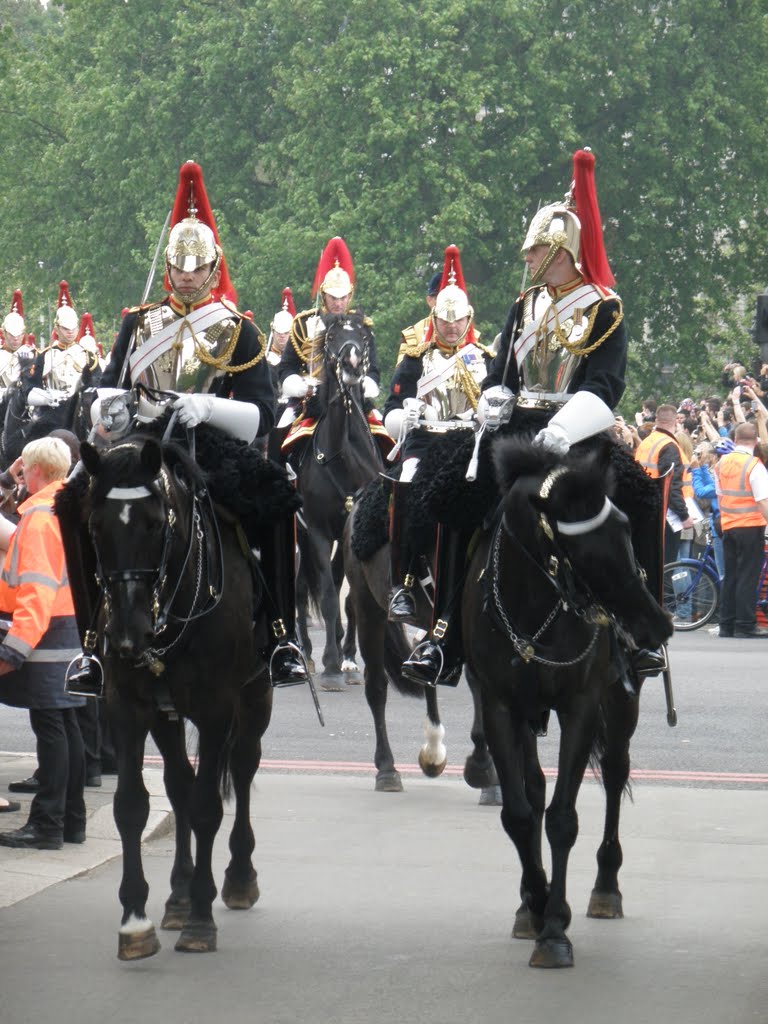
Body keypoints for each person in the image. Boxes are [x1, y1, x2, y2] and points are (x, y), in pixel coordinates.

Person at [92, 160, 307, 688]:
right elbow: (100, 392)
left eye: (197, 265)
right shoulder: (138, 322)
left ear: (213, 268)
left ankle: (279, 634)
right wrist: (116, 408)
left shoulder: (239, 330)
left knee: (277, 498)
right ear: (169, 266)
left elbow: (261, 414)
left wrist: (207, 408)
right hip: (143, 443)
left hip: (209, 446)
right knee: (75, 499)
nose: (187, 274)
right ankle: (90, 648)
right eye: (180, 265)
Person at [382, 244, 490, 663]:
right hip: (425, 440)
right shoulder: (415, 355)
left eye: (458, 319)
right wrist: (404, 413)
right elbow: (391, 409)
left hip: (467, 442)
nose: (450, 327)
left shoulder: (484, 358)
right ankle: (404, 582)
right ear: (435, 318)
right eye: (444, 320)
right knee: (407, 484)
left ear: (468, 318)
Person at [0, 437, 86, 850]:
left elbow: (35, 592)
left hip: (45, 632)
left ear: (34, 471)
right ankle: (71, 820)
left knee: (51, 728)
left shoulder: (37, 518)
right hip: (69, 629)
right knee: (68, 726)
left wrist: (13, 650)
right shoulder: (68, 508)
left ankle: (47, 824)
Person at [277, 237, 383, 444]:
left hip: (353, 397)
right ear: (323, 295)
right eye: (333, 297)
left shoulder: (361, 327)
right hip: (307, 399)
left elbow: (373, 369)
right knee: (281, 427)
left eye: (343, 297)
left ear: (350, 295)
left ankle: (385, 475)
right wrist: (298, 386)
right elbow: (287, 367)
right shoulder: (303, 324)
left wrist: (366, 385)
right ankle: (278, 473)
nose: (338, 302)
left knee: (384, 433)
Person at [714, 422, 768, 638]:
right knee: (748, 576)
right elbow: (762, 501)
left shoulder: (722, 462)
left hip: (728, 525)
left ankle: (727, 623)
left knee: (732, 575)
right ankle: (745, 624)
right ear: (755, 441)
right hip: (750, 526)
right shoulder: (754, 465)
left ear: (734, 439)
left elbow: (720, 495)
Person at [635, 403, 693, 563]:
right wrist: (684, 515)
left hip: (644, 511)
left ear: (656, 420)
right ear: (676, 423)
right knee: (666, 565)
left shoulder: (646, 443)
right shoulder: (669, 446)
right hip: (665, 518)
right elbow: (671, 487)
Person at [30, 281, 100, 403]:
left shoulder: (89, 357)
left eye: (73, 328)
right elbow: (34, 386)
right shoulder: (44, 356)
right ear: (56, 328)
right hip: (52, 409)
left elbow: (98, 384)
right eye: (65, 328)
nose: (70, 332)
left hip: (80, 408)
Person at [394, 271, 442, 366]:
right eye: (442, 298)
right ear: (429, 301)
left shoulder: (470, 335)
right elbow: (402, 376)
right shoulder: (414, 334)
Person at [0, 289, 37, 391]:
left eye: (19, 335)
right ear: (4, 333)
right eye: (11, 335)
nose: (15, 339)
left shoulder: (32, 353)